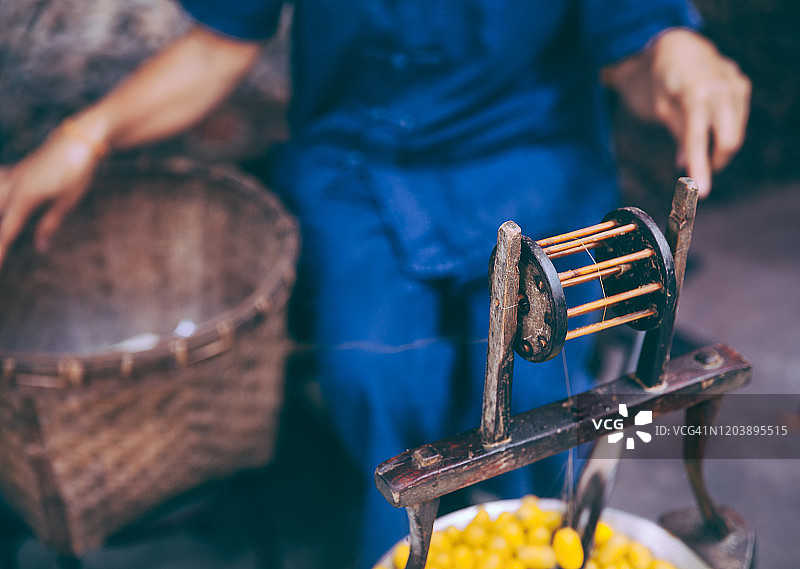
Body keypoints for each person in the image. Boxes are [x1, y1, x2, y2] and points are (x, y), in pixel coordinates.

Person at [0, 2, 750, 566]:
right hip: (361, 167)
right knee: (382, 388)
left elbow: (636, 45)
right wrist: (84, 134)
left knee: (549, 400)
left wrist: (677, 57)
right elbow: (223, 42)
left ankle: (548, 514)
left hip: (535, 151)